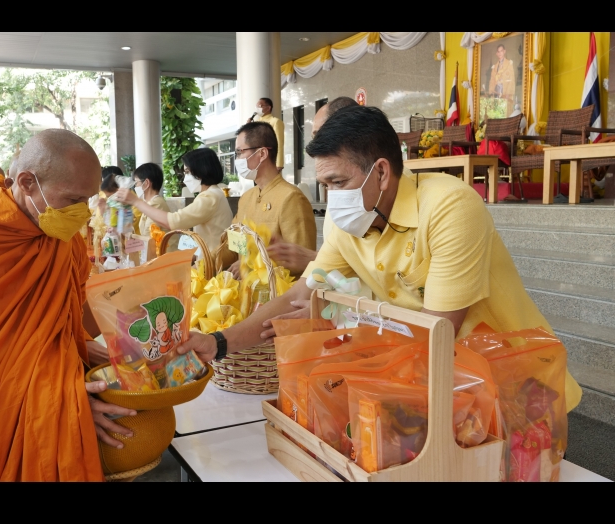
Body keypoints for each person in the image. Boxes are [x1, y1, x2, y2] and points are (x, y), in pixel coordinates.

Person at [178, 105, 582, 412]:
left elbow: (433, 333)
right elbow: (297, 295)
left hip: (513, 386)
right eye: (325, 185)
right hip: (434, 388)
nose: (333, 199)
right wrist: (219, 342)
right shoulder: (348, 224)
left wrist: (343, 318)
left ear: (382, 173)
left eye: (339, 183)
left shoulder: (449, 207)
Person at [0, 129, 134, 482]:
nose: (81, 213)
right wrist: (67, 403)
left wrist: (125, 327)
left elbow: (69, 321)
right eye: (72, 200)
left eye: (88, 200)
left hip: (51, 396)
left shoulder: (63, 241)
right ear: (26, 182)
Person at [267, 96, 362, 275]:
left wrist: (313, 258)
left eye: (320, 135)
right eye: (328, 185)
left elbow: (378, 268)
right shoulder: (336, 190)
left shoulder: (377, 188)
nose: (316, 146)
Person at [224, 121, 316, 278]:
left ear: (262, 154)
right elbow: (233, 245)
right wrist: (204, 261)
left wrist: (249, 266)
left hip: (278, 296)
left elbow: (301, 263)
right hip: (246, 294)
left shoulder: (291, 198)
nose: (237, 159)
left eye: (240, 152)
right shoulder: (246, 197)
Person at [116, 148, 232, 253]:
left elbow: (174, 221)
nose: (185, 178)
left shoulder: (210, 198)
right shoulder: (211, 194)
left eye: (187, 172)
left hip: (213, 263)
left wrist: (136, 201)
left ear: (201, 171)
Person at [131, 163, 170, 237]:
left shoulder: (156, 204)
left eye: (136, 183)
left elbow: (148, 236)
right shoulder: (150, 203)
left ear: (146, 183)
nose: (135, 186)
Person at [248, 98, 284, 170]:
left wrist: (279, 163)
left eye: (260, 106)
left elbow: (279, 143)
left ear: (268, 107)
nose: (257, 108)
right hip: (257, 160)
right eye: (256, 106)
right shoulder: (256, 123)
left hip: (270, 160)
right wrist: (248, 126)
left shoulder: (275, 121)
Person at [486, 44, 515, 115]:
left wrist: (508, 93)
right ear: (496, 53)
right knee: (497, 111)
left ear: (504, 51)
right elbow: (492, 80)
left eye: (501, 51)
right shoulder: (495, 67)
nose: (500, 53)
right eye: (498, 52)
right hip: (496, 92)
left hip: (505, 91)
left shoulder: (509, 64)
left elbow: (512, 80)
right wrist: (491, 93)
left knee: (505, 112)